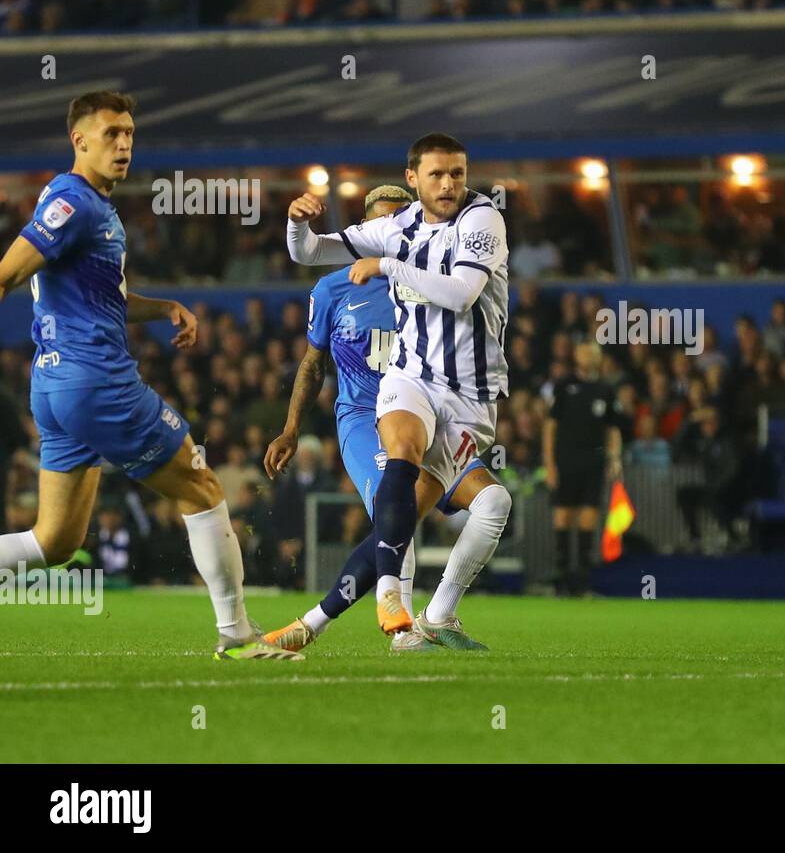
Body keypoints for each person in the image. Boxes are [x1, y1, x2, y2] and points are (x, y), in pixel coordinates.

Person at [0, 90, 296, 660]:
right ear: (78, 140)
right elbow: (10, 271)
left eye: (129, 133)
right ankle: (238, 636)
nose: (124, 144)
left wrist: (162, 309)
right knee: (203, 486)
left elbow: (102, 296)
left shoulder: (93, 208)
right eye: (110, 133)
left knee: (55, 541)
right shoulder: (72, 200)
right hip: (98, 382)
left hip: (56, 389)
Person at [285, 132, 512, 650]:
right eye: (436, 174)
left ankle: (323, 623)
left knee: (409, 512)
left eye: (457, 172)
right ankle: (393, 598)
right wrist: (296, 222)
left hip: (468, 397)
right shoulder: (397, 226)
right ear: (414, 178)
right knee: (401, 451)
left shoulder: (482, 220)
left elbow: (461, 293)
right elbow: (310, 253)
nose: (449, 183)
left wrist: (386, 265)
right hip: (409, 378)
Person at [262, 186, 448, 652]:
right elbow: (312, 364)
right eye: (380, 225)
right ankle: (401, 631)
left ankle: (442, 617)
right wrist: (291, 428)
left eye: (399, 222)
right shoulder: (332, 289)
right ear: (363, 232)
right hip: (364, 418)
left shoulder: (428, 279)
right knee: (396, 509)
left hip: (425, 413)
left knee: (492, 502)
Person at [543, 342, 623, 593]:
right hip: (566, 461)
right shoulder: (565, 385)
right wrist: (549, 463)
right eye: (584, 350)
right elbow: (550, 426)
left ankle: (584, 580)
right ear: (576, 355)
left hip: (594, 462)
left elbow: (612, 428)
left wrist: (614, 457)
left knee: (589, 518)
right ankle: (562, 578)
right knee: (564, 515)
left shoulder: (606, 389)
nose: (589, 355)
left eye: (594, 352)